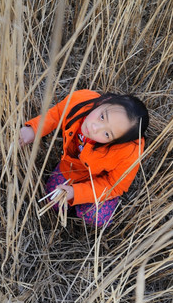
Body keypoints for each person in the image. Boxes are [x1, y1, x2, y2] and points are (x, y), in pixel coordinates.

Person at [20, 89, 149, 227]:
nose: (94, 128)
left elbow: (114, 185)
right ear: (104, 102)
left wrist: (77, 192)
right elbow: (57, 113)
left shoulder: (129, 151)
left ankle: (85, 210)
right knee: (54, 203)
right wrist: (34, 129)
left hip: (98, 183)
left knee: (96, 218)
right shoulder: (81, 101)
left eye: (106, 134)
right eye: (102, 117)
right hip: (71, 168)